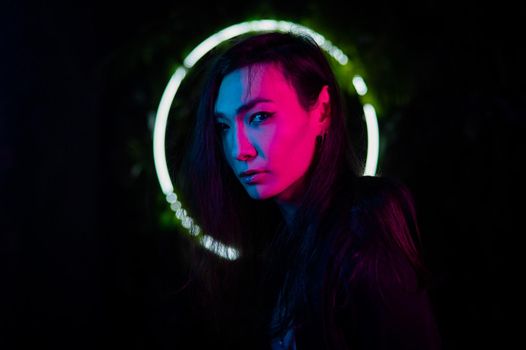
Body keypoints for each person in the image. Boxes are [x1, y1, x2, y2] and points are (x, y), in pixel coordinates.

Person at [175, 31, 441, 349]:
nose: (239, 149)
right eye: (224, 127)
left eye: (260, 117)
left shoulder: (363, 233)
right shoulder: (281, 243)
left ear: (322, 112)